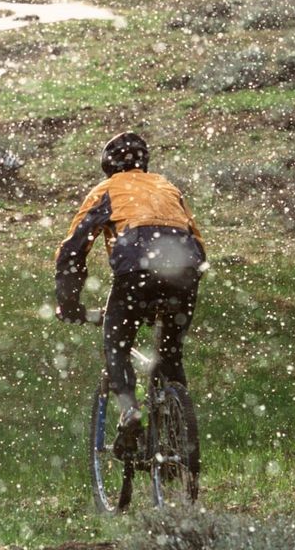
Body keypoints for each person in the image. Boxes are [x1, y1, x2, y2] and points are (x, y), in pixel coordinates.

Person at [54, 132, 206, 446]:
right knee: (170, 354)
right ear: (144, 162)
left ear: (108, 166)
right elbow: (198, 242)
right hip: (185, 271)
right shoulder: (168, 187)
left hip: (137, 272)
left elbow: (73, 250)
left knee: (116, 344)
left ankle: (129, 411)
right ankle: (179, 437)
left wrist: (69, 302)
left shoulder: (106, 189)